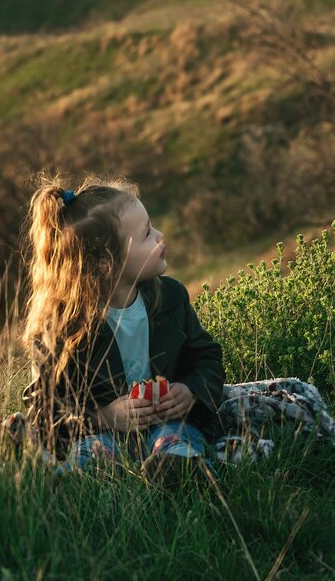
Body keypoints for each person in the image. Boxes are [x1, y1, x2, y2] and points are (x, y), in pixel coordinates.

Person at [22, 173, 225, 483]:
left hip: (168, 421)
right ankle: (68, 487)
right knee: (95, 451)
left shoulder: (171, 298)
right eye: (146, 235)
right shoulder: (62, 328)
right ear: (106, 264)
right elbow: (44, 409)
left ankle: (177, 472)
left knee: (172, 438)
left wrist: (191, 390)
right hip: (103, 433)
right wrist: (104, 416)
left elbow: (206, 358)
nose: (159, 236)